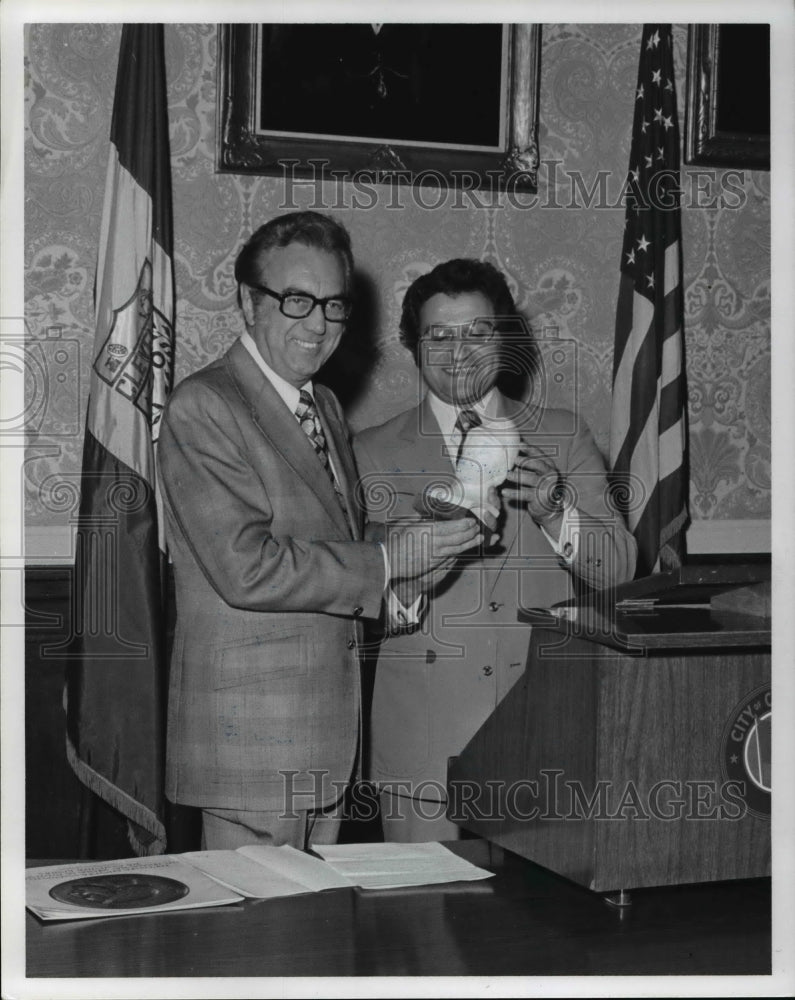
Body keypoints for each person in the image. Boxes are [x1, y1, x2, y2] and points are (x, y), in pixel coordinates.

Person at [157, 214, 482, 851]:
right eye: (296, 300)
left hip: (326, 747)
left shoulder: (322, 404)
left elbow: (342, 540)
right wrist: (389, 561)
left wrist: (424, 551)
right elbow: (245, 567)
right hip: (250, 758)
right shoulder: (204, 406)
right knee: (259, 949)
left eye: (334, 305)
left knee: (316, 946)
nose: (318, 324)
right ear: (247, 302)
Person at [354, 258, 638, 842]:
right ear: (414, 346)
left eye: (478, 333)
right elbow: (352, 591)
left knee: (544, 930)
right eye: (439, 335)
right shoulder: (368, 452)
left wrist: (555, 508)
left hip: (544, 739)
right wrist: (414, 566)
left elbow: (620, 571)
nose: (459, 352)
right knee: (423, 926)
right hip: (424, 755)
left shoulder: (563, 435)